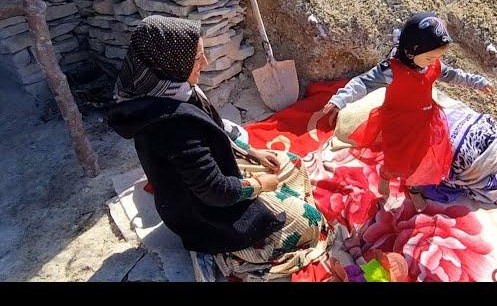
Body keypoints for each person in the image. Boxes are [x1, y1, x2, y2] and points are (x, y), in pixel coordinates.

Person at [108, 15, 333, 281]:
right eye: (197, 59)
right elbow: (216, 192)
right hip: (203, 214)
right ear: (170, 63)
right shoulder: (173, 126)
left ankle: (270, 198)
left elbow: (214, 129)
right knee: (310, 223)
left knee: (291, 162)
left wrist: (252, 153)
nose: (205, 63)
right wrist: (259, 184)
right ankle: (226, 252)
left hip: (200, 186)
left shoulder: (164, 89)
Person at [323, 11, 494, 210]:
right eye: (430, 57)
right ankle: (386, 175)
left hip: (425, 121)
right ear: (412, 51)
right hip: (399, 124)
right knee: (397, 160)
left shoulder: (433, 64)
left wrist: (478, 83)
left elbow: (454, 75)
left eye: (438, 57)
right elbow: (362, 83)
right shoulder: (391, 70)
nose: (434, 61)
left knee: (421, 159)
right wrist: (340, 100)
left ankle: (413, 188)